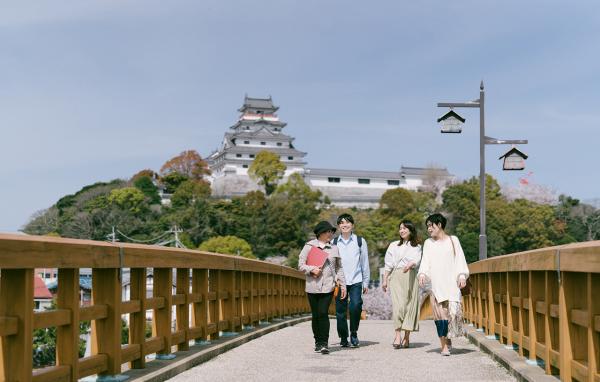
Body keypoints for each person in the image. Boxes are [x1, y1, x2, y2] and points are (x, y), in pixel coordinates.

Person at [417, 213, 469, 356]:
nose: (428, 229)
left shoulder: (453, 240)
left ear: (439, 225)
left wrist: (462, 275)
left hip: (452, 285)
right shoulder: (428, 243)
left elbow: (460, 259)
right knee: (440, 316)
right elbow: (425, 262)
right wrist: (422, 274)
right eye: (427, 226)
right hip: (436, 285)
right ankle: (444, 346)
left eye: (430, 226)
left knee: (450, 315)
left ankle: (448, 340)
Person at [298, 220, 347, 354]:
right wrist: (312, 269)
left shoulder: (334, 248)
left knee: (323, 313)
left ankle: (324, 343)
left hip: (328, 286)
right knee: (315, 315)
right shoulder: (309, 246)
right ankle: (317, 342)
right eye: (328, 232)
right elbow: (300, 265)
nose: (330, 234)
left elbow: (339, 268)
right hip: (312, 286)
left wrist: (343, 284)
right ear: (320, 233)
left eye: (331, 232)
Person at [382, 220, 422, 349]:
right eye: (400, 228)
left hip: (410, 276)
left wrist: (411, 264)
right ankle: (398, 336)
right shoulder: (394, 245)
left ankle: (407, 337)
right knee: (398, 307)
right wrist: (385, 279)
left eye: (405, 228)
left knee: (409, 307)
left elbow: (417, 259)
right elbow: (388, 263)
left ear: (411, 230)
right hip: (397, 277)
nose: (402, 230)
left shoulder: (417, 246)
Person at [333, 213, 370, 348]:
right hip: (340, 281)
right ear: (338, 226)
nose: (345, 225)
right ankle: (343, 337)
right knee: (340, 311)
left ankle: (353, 332)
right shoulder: (334, 243)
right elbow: (332, 263)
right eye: (342, 223)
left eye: (347, 222)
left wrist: (366, 282)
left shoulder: (360, 241)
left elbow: (364, 262)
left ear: (352, 225)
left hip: (356, 280)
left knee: (355, 306)